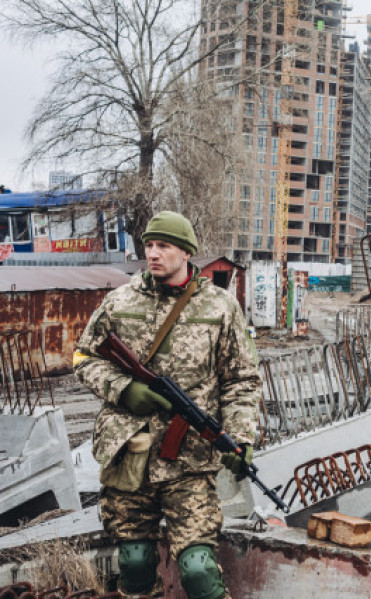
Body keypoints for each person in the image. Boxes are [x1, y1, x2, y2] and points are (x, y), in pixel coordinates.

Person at [73, 211, 261, 599]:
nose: (153, 254)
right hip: (130, 456)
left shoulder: (220, 307)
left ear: (187, 253)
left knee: (198, 571)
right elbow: (83, 358)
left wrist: (240, 438)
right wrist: (124, 389)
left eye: (164, 246)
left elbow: (242, 379)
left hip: (189, 462)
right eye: (149, 245)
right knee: (135, 562)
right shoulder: (119, 301)